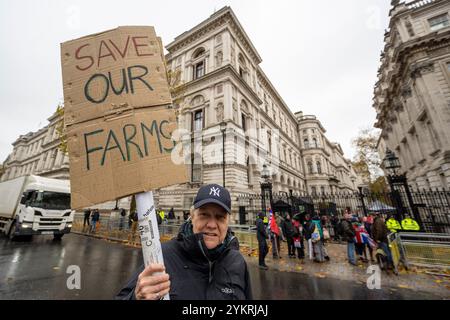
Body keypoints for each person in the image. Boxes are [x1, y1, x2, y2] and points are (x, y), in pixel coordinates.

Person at [116, 184, 252, 300]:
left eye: (220, 217)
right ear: (192, 217)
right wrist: (136, 296)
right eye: (204, 215)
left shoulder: (237, 261)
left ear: (228, 223)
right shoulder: (162, 255)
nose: (211, 224)